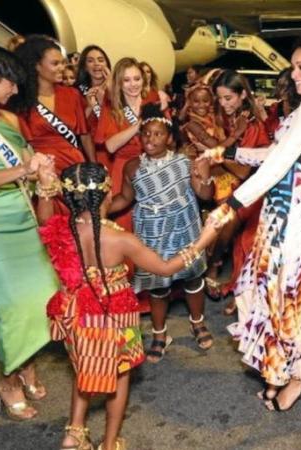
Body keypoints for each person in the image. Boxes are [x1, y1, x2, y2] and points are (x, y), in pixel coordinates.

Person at [203, 35, 301, 411]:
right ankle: (279, 373)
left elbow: (278, 165)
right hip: (279, 215)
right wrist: (228, 151)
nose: (295, 73)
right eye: (294, 66)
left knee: (291, 300)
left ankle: (298, 380)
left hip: (294, 219)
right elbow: (274, 152)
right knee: (272, 296)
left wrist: (230, 206)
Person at [35, 161, 218, 450]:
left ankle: (74, 433)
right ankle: (109, 443)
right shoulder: (120, 239)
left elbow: (44, 211)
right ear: (107, 194)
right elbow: (167, 267)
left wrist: (44, 185)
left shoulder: (59, 228)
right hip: (115, 318)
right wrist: (204, 239)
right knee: (120, 375)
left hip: (76, 316)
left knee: (84, 368)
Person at [109, 103, 215, 361]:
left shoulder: (183, 161)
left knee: (191, 277)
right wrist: (98, 209)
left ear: (169, 138)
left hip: (184, 225)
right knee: (157, 285)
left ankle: (197, 322)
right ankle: (159, 333)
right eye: (146, 134)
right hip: (152, 230)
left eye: (158, 134)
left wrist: (203, 178)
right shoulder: (132, 167)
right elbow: (125, 197)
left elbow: (205, 195)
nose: (150, 139)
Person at [0, 44, 59, 421]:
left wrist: (43, 171)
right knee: (11, 306)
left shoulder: (9, 121)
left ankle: (26, 362)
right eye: (9, 83)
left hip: (22, 214)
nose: (15, 91)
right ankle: (8, 381)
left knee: (42, 295)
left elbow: (26, 157)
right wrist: (23, 171)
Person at [204, 70, 271, 311]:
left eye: (228, 98)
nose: (223, 104)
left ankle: (215, 265)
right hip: (223, 178)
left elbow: (244, 172)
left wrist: (217, 152)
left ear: (243, 95)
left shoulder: (253, 125)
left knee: (228, 219)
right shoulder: (222, 117)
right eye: (220, 99)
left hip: (251, 186)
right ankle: (213, 263)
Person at [10, 36, 95, 175]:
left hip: (74, 167)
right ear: (36, 65)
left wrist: (94, 166)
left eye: (63, 62)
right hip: (43, 170)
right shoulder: (20, 100)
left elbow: (84, 135)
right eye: (55, 63)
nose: (62, 68)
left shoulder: (72, 94)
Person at [94, 57, 160, 231]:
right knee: (124, 224)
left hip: (152, 167)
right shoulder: (113, 108)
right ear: (119, 83)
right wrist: (138, 126)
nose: (133, 85)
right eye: (127, 80)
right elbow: (110, 146)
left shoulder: (152, 101)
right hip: (123, 171)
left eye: (137, 79)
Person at [76, 45, 112, 170]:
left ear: (107, 64)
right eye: (90, 61)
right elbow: (77, 128)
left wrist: (110, 88)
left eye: (101, 60)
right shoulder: (77, 92)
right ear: (85, 67)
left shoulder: (120, 89)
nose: (97, 64)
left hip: (116, 150)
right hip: (90, 152)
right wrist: (90, 107)